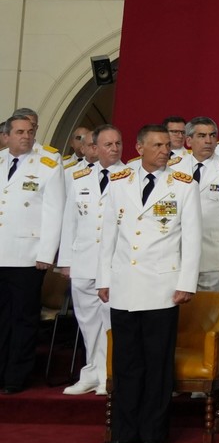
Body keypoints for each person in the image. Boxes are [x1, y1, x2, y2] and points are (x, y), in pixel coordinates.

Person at [94, 124, 200, 443]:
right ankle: (124, 433)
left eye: (167, 145)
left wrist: (186, 283)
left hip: (161, 287)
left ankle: (153, 434)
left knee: (157, 365)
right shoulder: (119, 182)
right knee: (126, 363)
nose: (165, 150)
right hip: (124, 285)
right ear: (139, 148)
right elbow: (108, 234)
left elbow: (192, 239)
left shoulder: (183, 185)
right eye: (157, 145)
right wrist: (104, 279)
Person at [58, 125, 126, 396]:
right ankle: (91, 372)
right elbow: (70, 222)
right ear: (94, 148)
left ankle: (108, 374)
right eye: (108, 144)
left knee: (111, 322)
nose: (114, 148)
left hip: (113, 263)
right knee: (87, 322)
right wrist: (66, 260)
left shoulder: (130, 176)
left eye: (118, 143)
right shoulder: (80, 177)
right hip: (84, 260)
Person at [0, 114, 65, 394]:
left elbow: (54, 212)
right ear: (6, 136)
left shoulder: (47, 165)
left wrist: (46, 253)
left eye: (29, 131)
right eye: (19, 132)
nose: (26, 136)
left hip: (27, 255)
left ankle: (16, 375)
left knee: (24, 318)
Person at [172, 117, 219, 292]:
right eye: (202, 136)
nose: (208, 141)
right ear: (189, 140)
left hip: (212, 255)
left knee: (208, 307)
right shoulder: (173, 169)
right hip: (176, 253)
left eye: (212, 135)